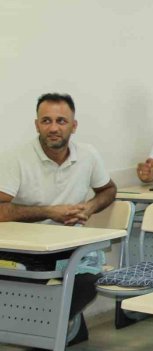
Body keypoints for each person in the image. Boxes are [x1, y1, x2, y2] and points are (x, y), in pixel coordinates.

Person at [0, 93, 118, 345]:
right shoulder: (16, 157)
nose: (54, 128)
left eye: (61, 121)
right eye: (46, 120)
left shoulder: (87, 155)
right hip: (22, 250)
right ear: (36, 125)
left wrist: (89, 207)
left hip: (70, 249)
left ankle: (56, 328)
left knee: (87, 281)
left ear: (74, 126)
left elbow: (108, 190)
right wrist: (48, 212)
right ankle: (48, 331)